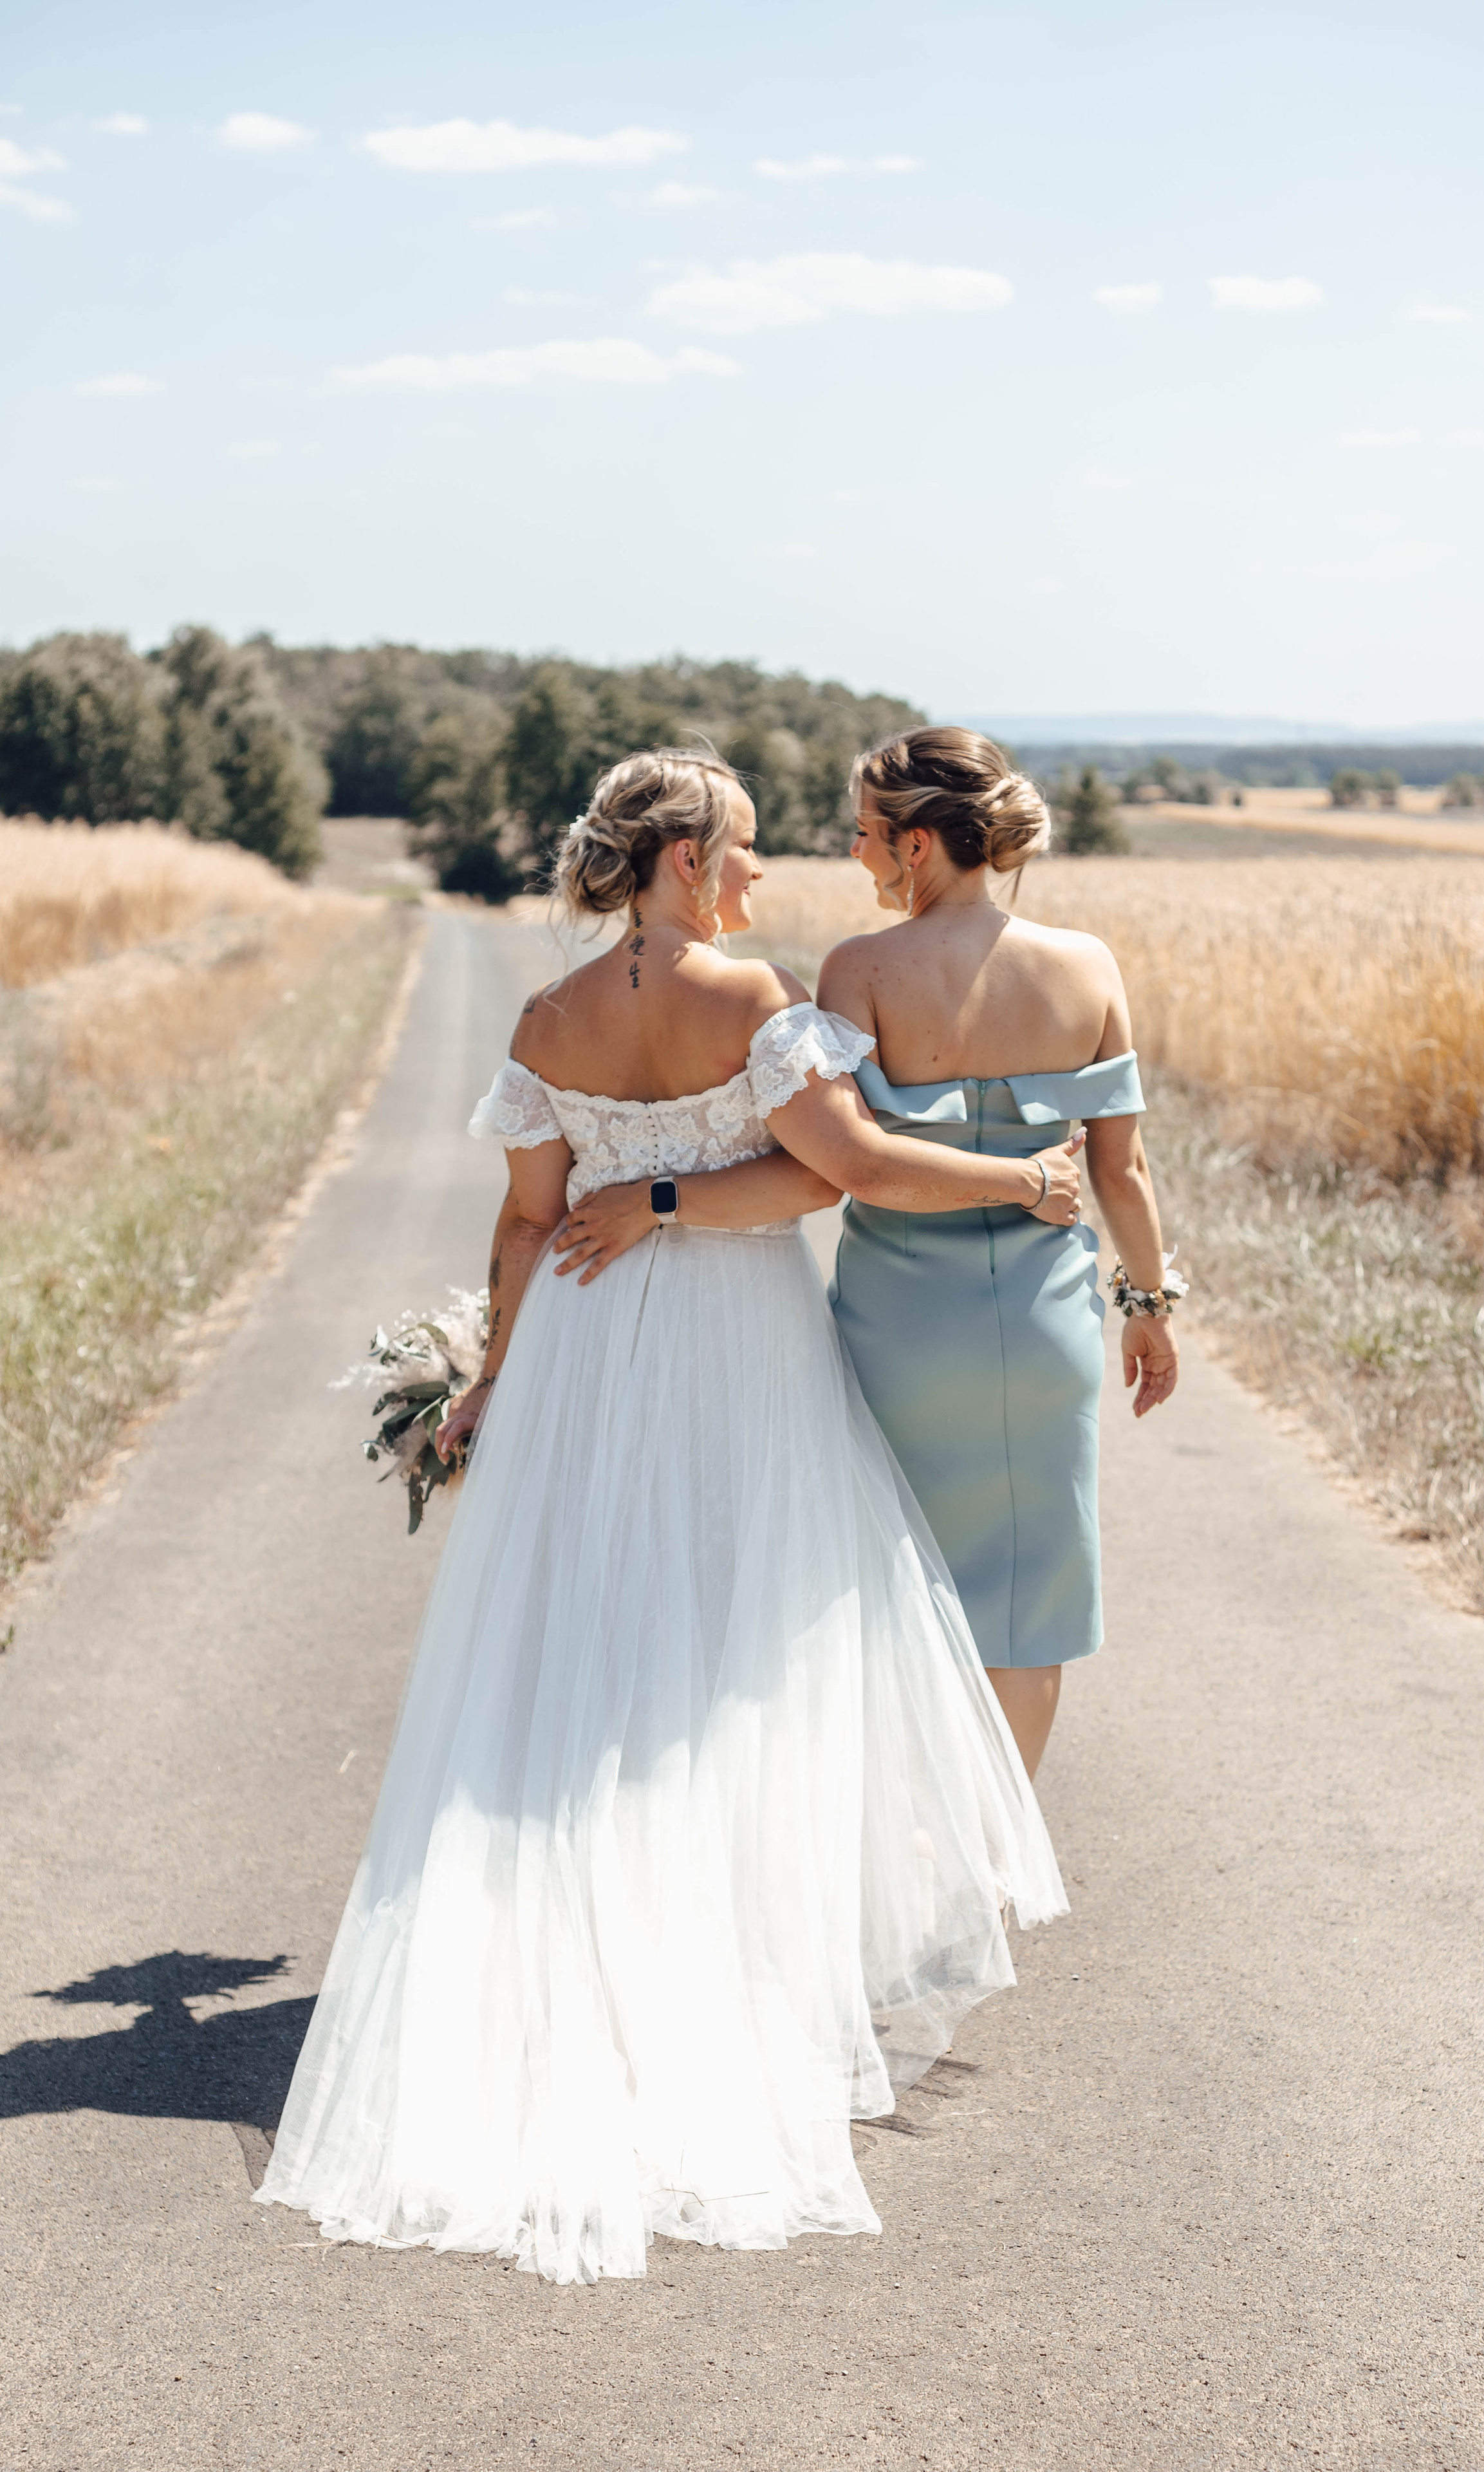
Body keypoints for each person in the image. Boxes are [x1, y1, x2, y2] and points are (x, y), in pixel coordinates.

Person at [255, 749, 1072, 2287]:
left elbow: (525, 1221)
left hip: (579, 1354)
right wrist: (1018, 1183)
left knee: (589, 1658)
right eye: (745, 848)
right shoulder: (755, 1002)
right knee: (722, 1662)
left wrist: (494, 1379)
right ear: (686, 859)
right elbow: (841, 1176)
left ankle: (580, 1974)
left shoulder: (547, 1017)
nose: (760, 874)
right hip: (729, 1357)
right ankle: (708, 1981)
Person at [553, 729, 1180, 1783]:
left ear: (917, 845)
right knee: (1031, 1603)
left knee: (876, 1578)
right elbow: (1123, 1172)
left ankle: (905, 1828)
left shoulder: (859, 970)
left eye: (864, 834)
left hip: (897, 1328)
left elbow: (840, 1159)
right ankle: (996, 1849)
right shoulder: (1088, 965)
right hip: (1045, 1321)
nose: (854, 854)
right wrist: (1150, 1307)